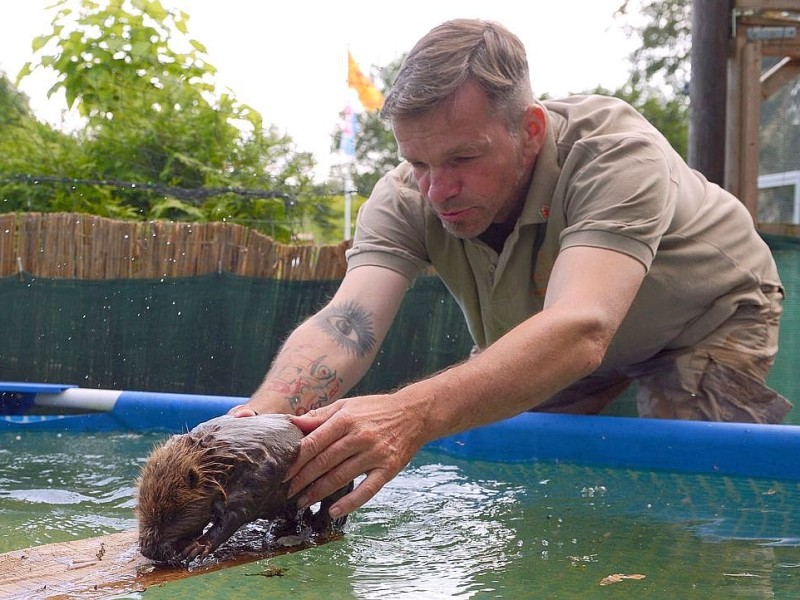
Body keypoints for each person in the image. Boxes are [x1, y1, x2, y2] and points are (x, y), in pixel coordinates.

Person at [229, 18, 791, 520]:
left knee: (700, 499)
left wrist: (407, 413)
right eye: (418, 161)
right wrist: (253, 428)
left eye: (463, 159)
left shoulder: (616, 152)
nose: (438, 190)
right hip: (553, 333)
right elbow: (347, 324)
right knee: (516, 493)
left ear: (530, 130)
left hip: (702, 321)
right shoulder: (407, 194)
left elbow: (581, 328)